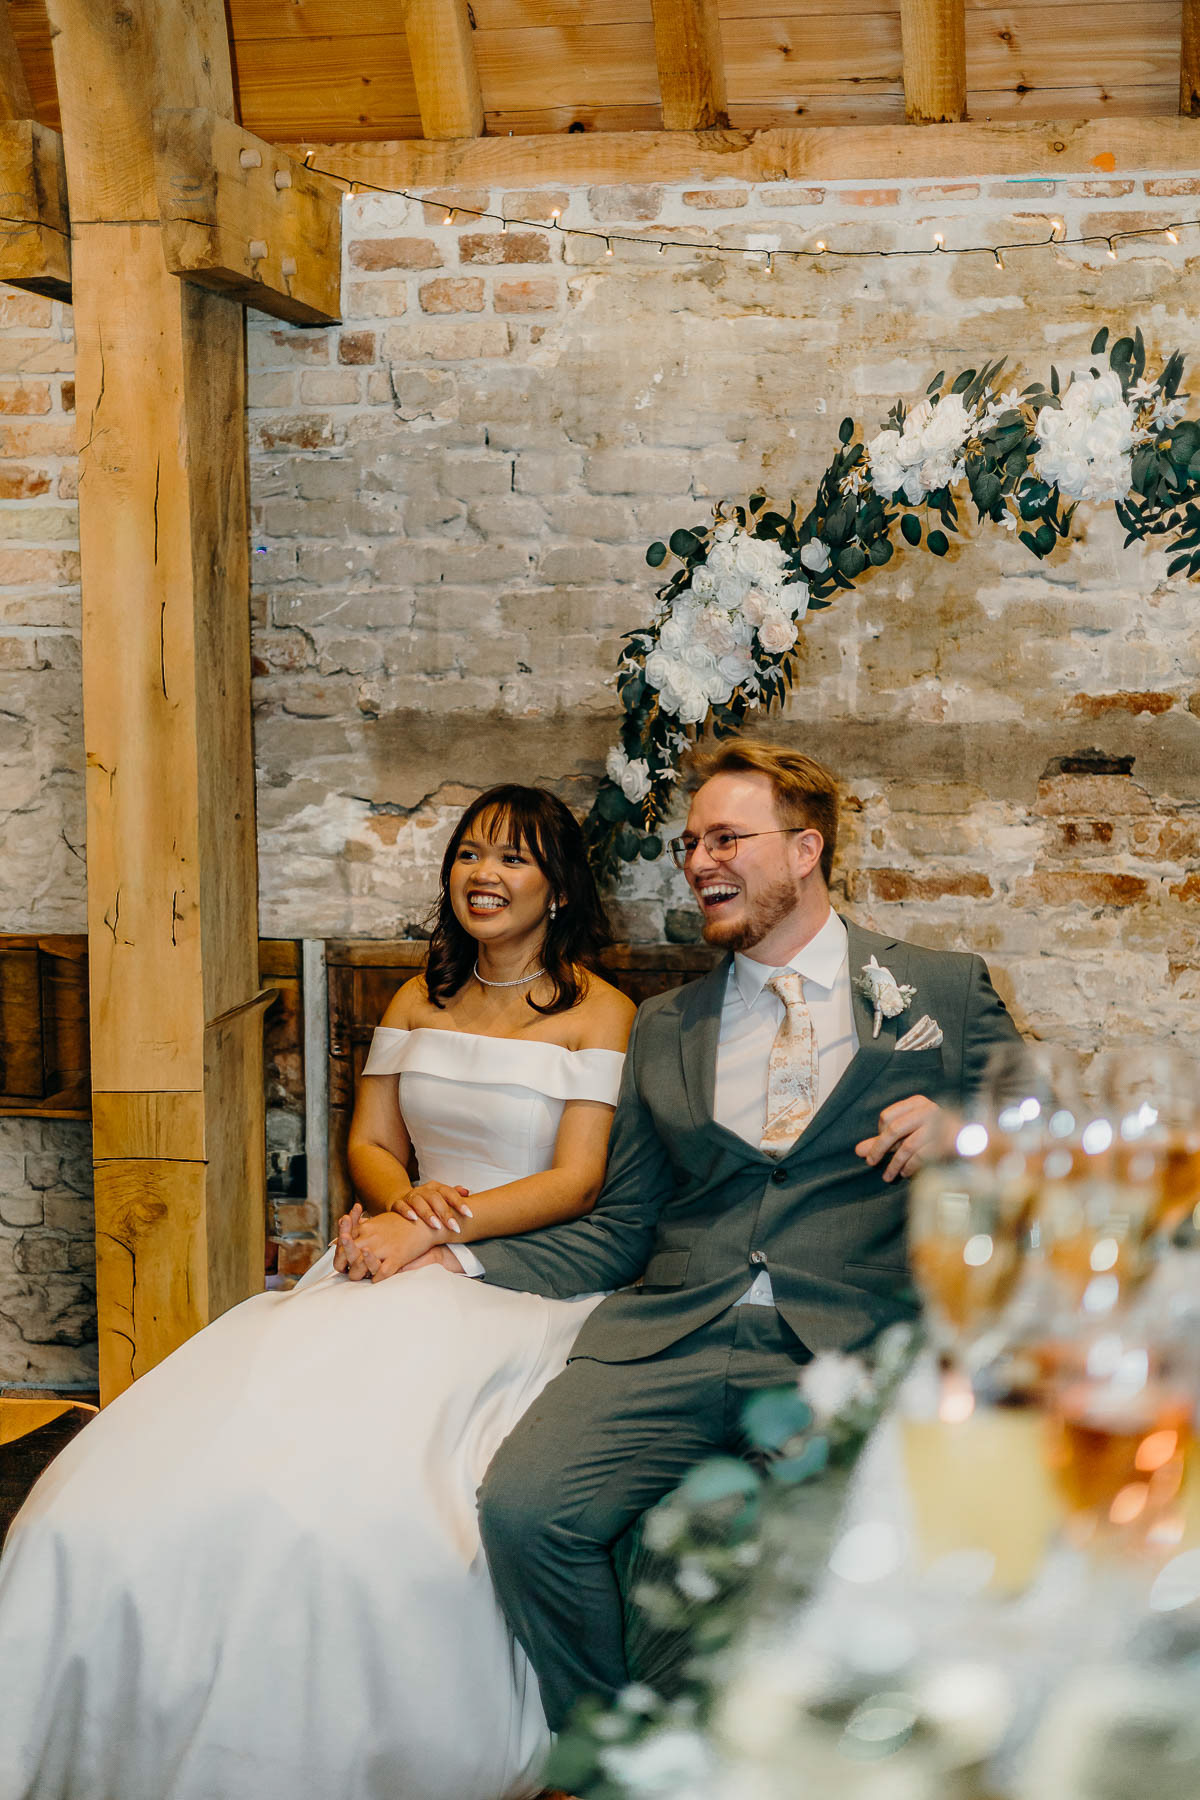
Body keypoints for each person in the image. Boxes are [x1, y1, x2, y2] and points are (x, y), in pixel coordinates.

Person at [0, 785, 634, 1800]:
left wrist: (432, 1231)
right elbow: (372, 1142)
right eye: (470, 854)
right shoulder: (416, 999)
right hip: (388, 1254)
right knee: (208, 1443)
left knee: (375, 1482)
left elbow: (577, 1181)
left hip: (507, 1277)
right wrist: (396, 1212)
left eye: (513, 858)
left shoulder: (602, 1011)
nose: (484, 874)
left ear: (558, 887)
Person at [412, 740, 1024, 1733]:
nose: (698, 862)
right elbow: (619, 1228)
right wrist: (454, 1254)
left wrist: (971, 1132)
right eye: (691, 842)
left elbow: (1059, 1150)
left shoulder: (942, 993)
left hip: (846, 1349)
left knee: (831, 1557)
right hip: (668, 1341)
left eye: (728, 838)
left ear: (804, 850)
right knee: (528, 1513)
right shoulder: (666, 1029)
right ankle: (616, 1756)